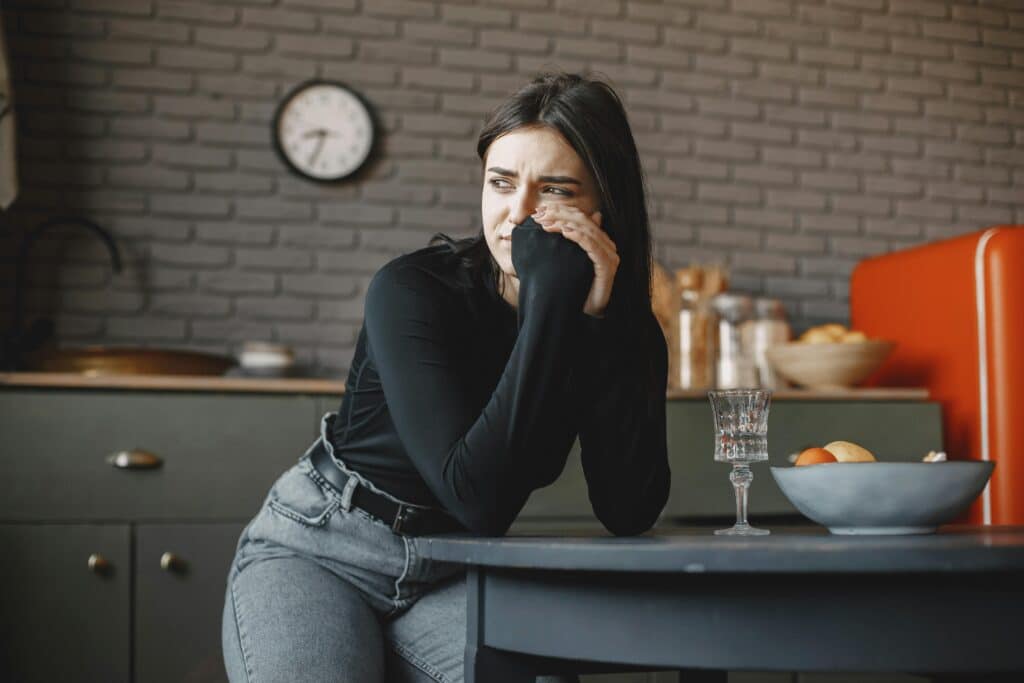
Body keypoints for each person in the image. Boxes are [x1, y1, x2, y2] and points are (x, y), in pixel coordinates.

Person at [221, 71, 670, 683]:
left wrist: (594, 325)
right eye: (501, 183)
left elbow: (628, 508)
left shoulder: (622, 327)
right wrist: (550, 302)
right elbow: (477, 496)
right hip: (322, 551)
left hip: (454, 571)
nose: (518, 214)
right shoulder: (413, 290)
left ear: (602, 207)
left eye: (555, 189)